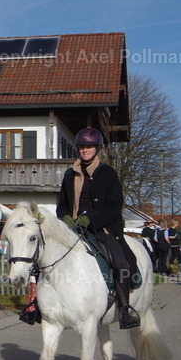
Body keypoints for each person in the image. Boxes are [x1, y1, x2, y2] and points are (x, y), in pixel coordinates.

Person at [57, 127, 141, 329]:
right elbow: (62, 205)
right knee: (46, 255)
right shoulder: (69, 174)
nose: (85, 150)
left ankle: (125, 308)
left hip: (102, 229)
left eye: (89, 147)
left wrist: (91, 220)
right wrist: (67, 217)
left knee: (121, 262)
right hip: (73, 229)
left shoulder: (107, 173)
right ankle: (39, 305)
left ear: (96, 149)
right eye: (82, 147)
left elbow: (114, 205)